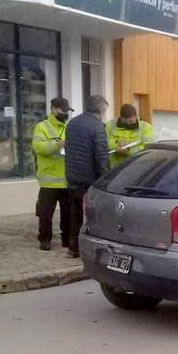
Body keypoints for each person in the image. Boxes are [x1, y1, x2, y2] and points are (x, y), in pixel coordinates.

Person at [65, 95, 110, 259]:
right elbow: (101, 156)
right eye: (105, 110)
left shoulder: (72, 123)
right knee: (93, 216)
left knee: (75, 215)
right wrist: (106, 178)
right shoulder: (97, 127)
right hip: (90, 179)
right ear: (101, 109)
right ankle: (92, 251)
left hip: (72, 176)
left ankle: (73, 248)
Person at [32, 97, 73, 251]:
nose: (65, 113)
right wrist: (57, 145)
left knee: (67, 214)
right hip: (48, 180)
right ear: (54, 109)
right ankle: (45, 239)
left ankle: (67, 239)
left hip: (66, 179)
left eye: (67, 111)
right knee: (45, 214)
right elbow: (38, 147)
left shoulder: (68, 127)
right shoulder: (41, 127)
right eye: (63, 110)